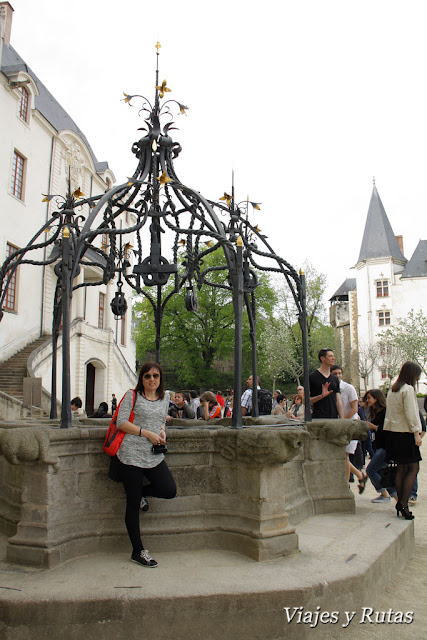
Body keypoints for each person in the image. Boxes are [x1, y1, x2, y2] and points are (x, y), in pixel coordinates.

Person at [116, 362, 177, 567]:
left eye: (156, 376)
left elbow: (160, 420)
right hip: (131, 454)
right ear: (141, 379)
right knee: (132, 505)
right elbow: (121, 422)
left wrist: (161, 432)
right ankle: (137, 550)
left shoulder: (164, 397)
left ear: (160, 379)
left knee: (169, 489)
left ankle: (143, 494)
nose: (152, 379)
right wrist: (146, 433)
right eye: (148, 376)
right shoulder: (131, 396)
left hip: (153, 454)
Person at [384, 361, 423, 520]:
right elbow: (411, 413)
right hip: (406, 433)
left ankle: (401, 502)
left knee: (401, 469)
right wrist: (416, 433)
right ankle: (404, 503)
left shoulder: (393, 390)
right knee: (413, 468)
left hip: (394, 433)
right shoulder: (408, 389)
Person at [330, 365, 365, 490]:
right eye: (335, 373)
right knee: (342, 455)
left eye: (339, 373)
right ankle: (359, 475)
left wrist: (343, 420)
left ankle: (346, 485)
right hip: (339, 425)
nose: (338, 376)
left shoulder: (349, 388)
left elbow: (354, 408)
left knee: (344, 455)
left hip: (349, 425)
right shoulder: (331, 389)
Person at [364, 389, 397, 503]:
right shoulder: (375, 412)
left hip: (385, 447)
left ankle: (385, 494)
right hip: (380, 447)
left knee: (371, 470)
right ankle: (398, 501)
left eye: (369, 398)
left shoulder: (384, 412)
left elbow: (385, 430)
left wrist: (372, 426)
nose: (367, 400)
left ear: (376, 398)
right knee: (383, 474)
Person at [309, 349, 344, 420]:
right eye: (330, 356)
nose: (333, 358)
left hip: (333, 419)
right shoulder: (312, 377)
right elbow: (305, 401)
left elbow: (338, 401)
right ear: (323, 358)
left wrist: (342, 420)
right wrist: (321, 396)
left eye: (333, 356)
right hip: (318, 419)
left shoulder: (335, 378)